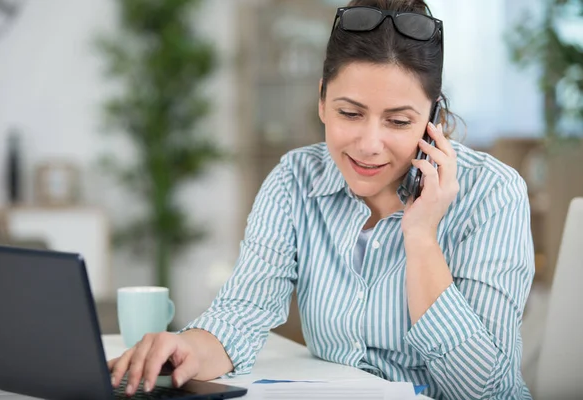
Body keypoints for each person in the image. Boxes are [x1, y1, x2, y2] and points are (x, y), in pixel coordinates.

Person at [108, 0, 535, 398]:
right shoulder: (295, 180)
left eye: (399, 121)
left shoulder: (493, 194)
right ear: (322, 101)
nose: (369, 145)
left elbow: (487, 390)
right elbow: (242, 311)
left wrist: (422, 237)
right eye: (350, 113)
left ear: (433, 119)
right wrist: (186, 348)